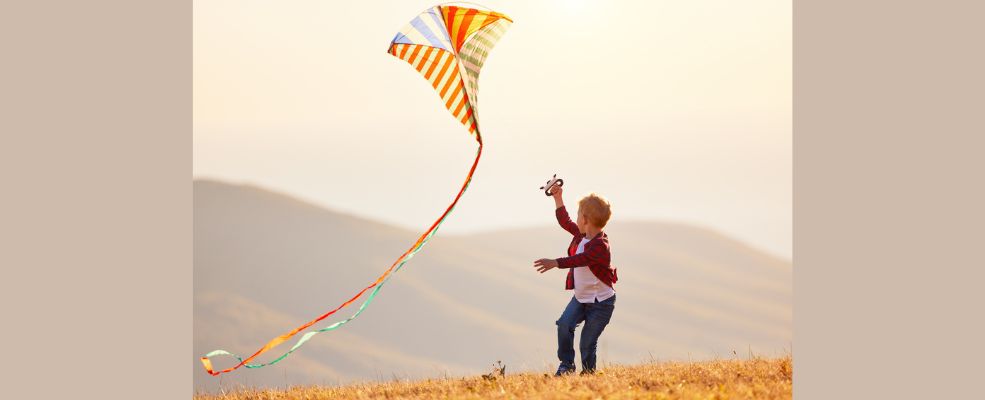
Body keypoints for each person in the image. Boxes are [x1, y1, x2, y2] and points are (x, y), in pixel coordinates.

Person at [534, 184, 618, 376]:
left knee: (587, 343)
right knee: (564, 325)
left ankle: (588, 374)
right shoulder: (582, 235)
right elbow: (565, 222)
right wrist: (558, 198)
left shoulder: (600, 246)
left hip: (601, 303)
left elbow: (580, 260)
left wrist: (555, 262)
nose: (576, 216)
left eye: (579, 213)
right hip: (581, 299)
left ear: (586, 220)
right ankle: (566, 365)